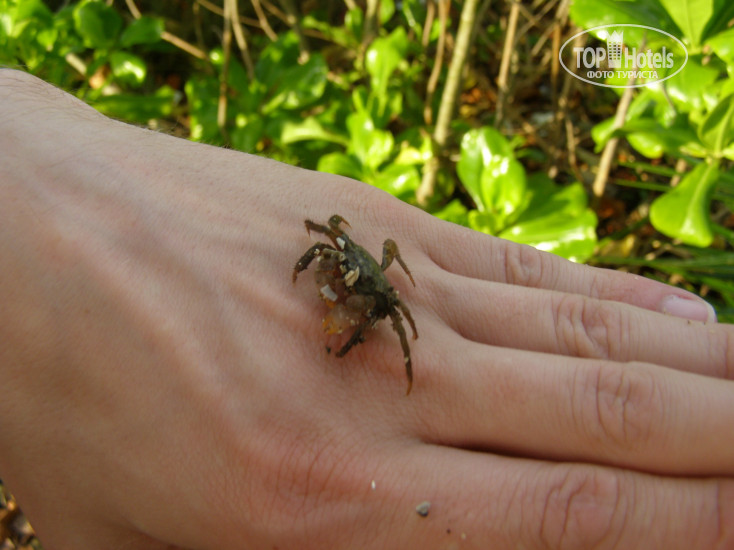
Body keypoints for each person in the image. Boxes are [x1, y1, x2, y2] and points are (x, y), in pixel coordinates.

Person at [0, 68, 731, 550]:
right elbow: (324, 235)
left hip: (382, 293)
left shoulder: (386, 306)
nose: (337, 267)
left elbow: (396, 318)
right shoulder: (339, 248)